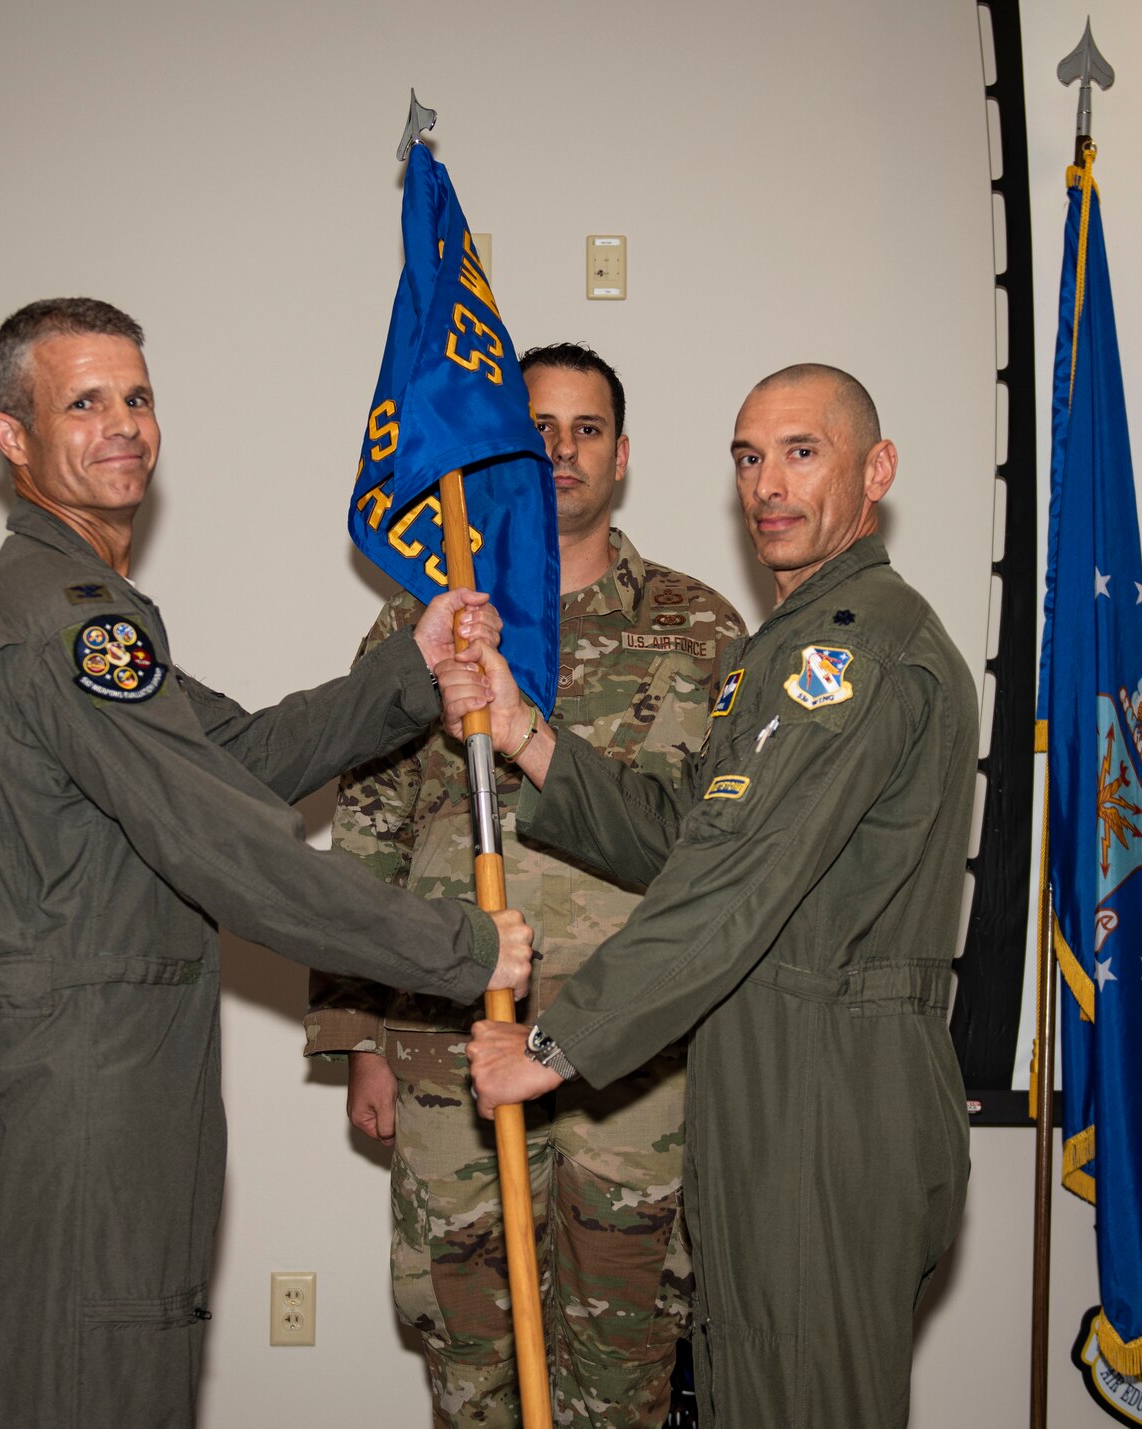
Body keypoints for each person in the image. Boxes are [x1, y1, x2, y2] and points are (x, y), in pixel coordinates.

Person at [0, 297, 534, 1429]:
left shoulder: (92, 609)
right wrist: (453, 948)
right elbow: (223, 844)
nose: (125, 426)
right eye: (84, 402)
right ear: (11, 437)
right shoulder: (63, 623)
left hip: (117, 1074)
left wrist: (401, 674)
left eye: (138, 397)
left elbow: (239, 755)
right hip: (84, 1094)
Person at [459, 365, 975, 1428]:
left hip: (827, 1085)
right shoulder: (787, 644)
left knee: (798, 1396)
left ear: (874, 469)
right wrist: (525, 734)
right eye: (748, 456)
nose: (766, 486)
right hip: (773, 1071)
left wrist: (553, 1049)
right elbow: (688, 833)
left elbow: (729, 885)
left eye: (801, 451)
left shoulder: (847, 650)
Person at [306, 344, 745, 1427]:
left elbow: (721, 855)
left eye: (584, 428)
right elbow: (367, 825)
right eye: (534, 429)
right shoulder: (429, 622)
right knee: (469, 1356)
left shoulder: (700, 630)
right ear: (501, 451)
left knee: (624, 1351)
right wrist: (357, 1034)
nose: (559, 451)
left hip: (629, 1062)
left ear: (622, 453)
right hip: (448, 1041)